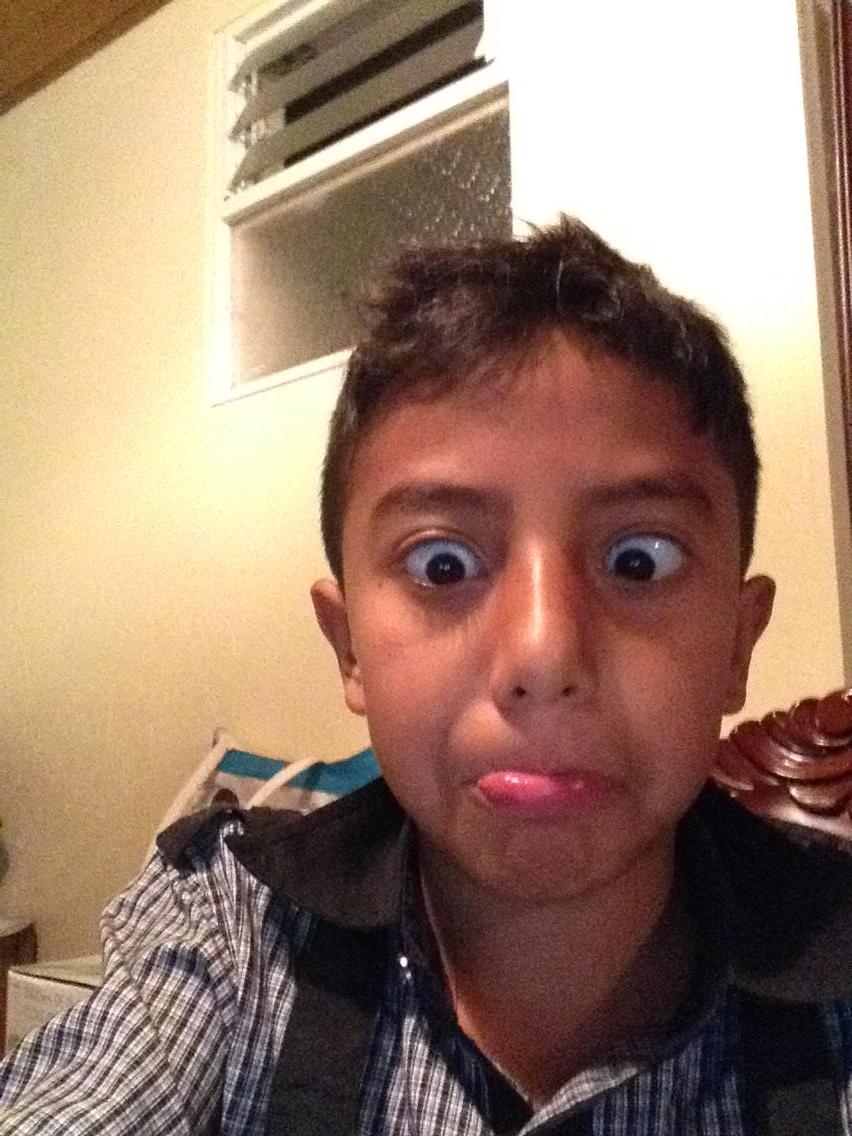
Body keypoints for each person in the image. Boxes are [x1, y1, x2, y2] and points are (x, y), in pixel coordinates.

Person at [2, 216, 851, 1136]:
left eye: (639, 560)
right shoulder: (230, 929)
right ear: (349, 649)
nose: (544, 656)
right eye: (443, 564)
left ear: (737, 644)